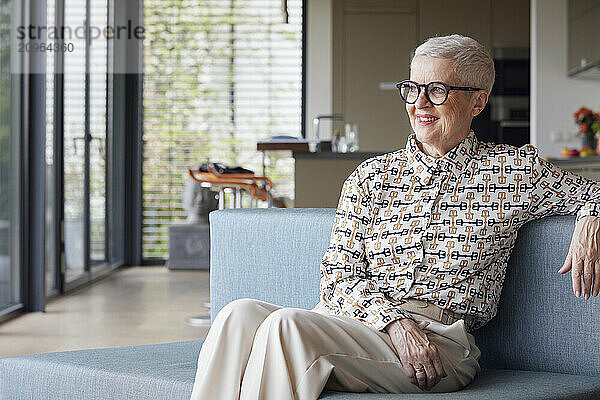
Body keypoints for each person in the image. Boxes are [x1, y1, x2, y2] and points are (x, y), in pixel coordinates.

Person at [190, 34, 600, 399]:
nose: (419, 104)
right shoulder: (372, 176)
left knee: (287, 327)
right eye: (412, 89)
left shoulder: (514, 171)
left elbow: (594, 192)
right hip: (358, 322)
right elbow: (337, 275)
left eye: (437, 90)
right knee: (238, 314)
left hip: (439, 344)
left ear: (477, 100)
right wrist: (393, 324)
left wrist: (589, 221)